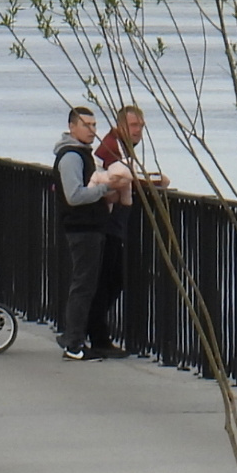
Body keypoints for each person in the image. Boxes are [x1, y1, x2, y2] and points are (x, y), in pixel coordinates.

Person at [52, 106, 124, 360]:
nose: (92, 131)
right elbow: (74, 196)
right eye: (86, 125)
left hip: (90, 226)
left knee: (88, 284)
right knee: (83, 285)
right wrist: (105, 188)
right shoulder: (72, 156)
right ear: (72, 127)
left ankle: (75, 338)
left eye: (94, 125)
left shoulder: (83, 154)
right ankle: (74, 343)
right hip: (82, 227)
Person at [90, 104, 162, 352]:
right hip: (105, 222)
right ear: (120, 126)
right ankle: (97, 335)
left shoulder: (118, 147)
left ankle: (94, 332)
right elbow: (118, 178)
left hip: (109, 222)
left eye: (141, 126)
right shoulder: (112, 148)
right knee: (108, 280)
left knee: (109, 279)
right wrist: (153, 183)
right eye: (133, 125)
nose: (138, 130)